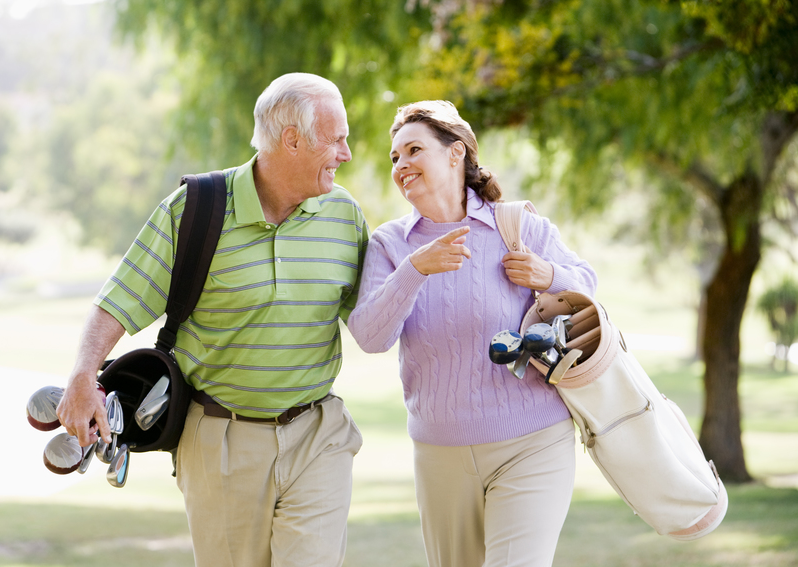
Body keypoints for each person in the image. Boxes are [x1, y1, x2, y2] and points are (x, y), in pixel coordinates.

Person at [56, 72, 369, 567]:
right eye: (336, 139)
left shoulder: (344, 216)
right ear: (292, 140)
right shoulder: (196, 209)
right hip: (222, 439)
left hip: (318, 434)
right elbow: (120, 298)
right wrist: (81, 373)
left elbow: (374, 317)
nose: (346, 154)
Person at [347, 100, 597, 567]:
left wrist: (548, 275)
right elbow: (369, 336)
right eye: (395, 158)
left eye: (413, 150)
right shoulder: (390, 244)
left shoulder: (516, 225)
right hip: (441, 451)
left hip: (534, 438)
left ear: (455, 153)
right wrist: (414, 270)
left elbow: (590, 291)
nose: (401, 166)